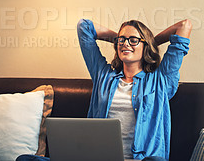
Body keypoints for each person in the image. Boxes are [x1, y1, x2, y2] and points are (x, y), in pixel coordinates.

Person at [17, 18, 191, 161]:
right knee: (25, 160)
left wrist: (151, 41)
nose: (125, 44)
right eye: (121, 40)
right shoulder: (103, 76)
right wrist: (123, 39)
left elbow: (184, 26)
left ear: (145, 46)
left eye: (133, 40)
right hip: (97, 158)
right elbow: (84, 27)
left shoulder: (161, 80)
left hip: (143, 160)